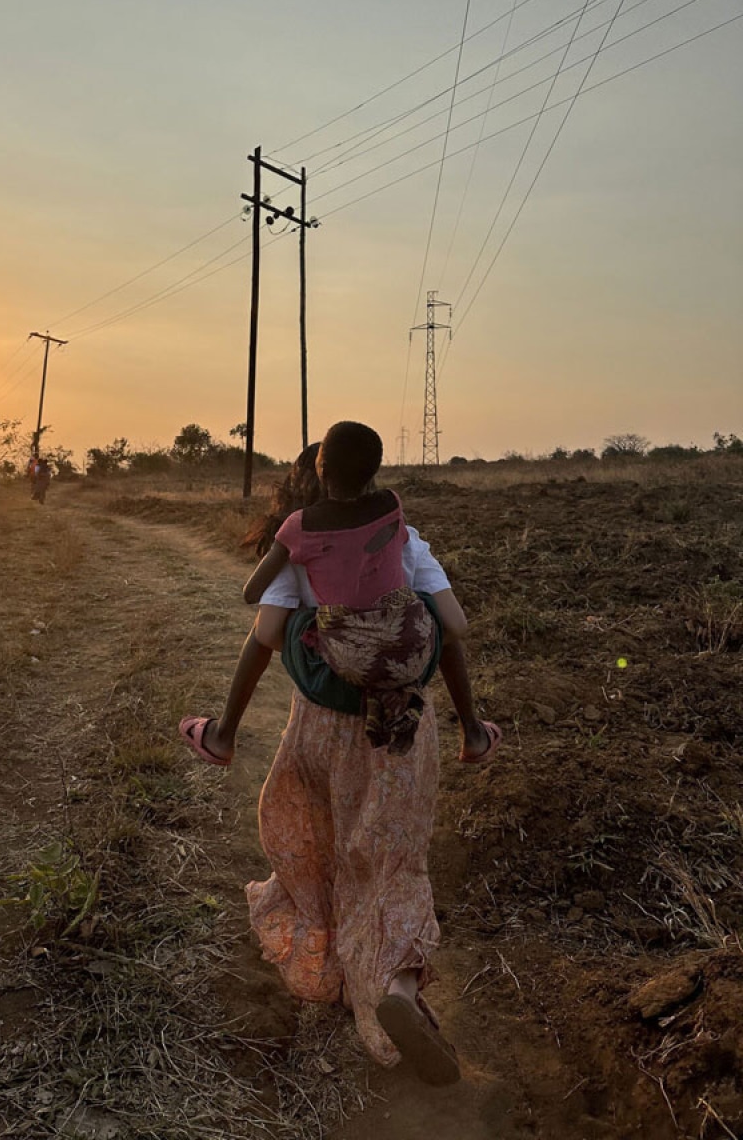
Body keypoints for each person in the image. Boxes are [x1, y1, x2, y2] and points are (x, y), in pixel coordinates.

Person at [179, 424, 501, 1083]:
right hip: (399, 733)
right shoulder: (403, 537)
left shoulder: (299, 542)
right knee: (392, 863)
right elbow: (454, 630)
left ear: (314, 478)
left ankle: (325, 966)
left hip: (320, 731)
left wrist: (231, 725)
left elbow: (263, 634)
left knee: (318, 849)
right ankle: (399, 991)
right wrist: (472, 725)